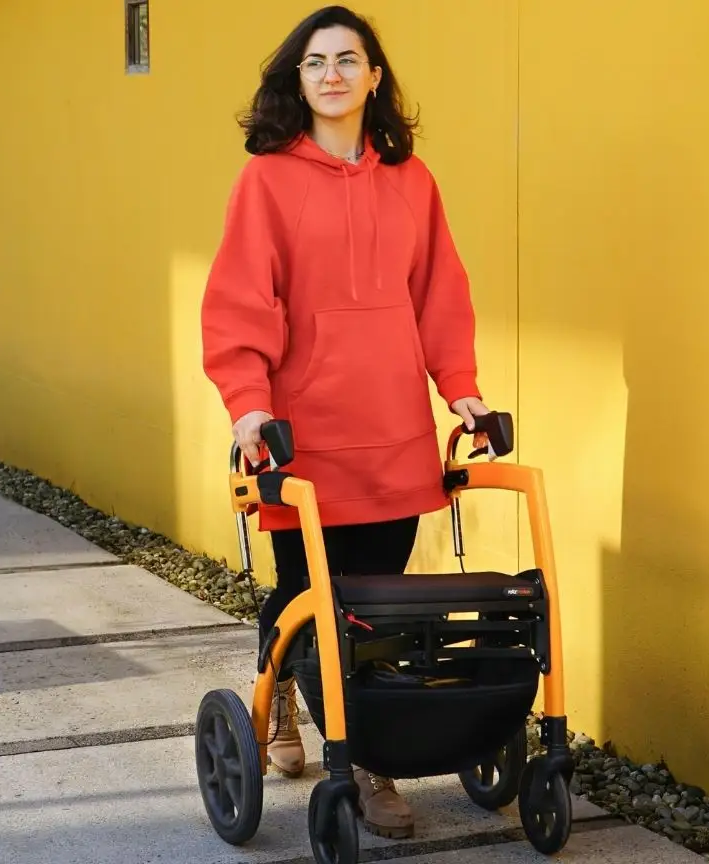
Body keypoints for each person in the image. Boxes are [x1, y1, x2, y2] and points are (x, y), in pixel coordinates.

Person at [199, 4, 489, 841]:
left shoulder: (413, 181)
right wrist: (248, 402)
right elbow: (239, 302)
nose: (331, 73)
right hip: (304, 434)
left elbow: (439, 293)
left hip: (392, 427)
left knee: (376, 606)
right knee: (306, 594)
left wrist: (460, 387)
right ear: (299, 81)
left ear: (374, 77)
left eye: (347, 59)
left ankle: (365, 747)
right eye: (315, 61)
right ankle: (320, 731)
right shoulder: (266, 181)